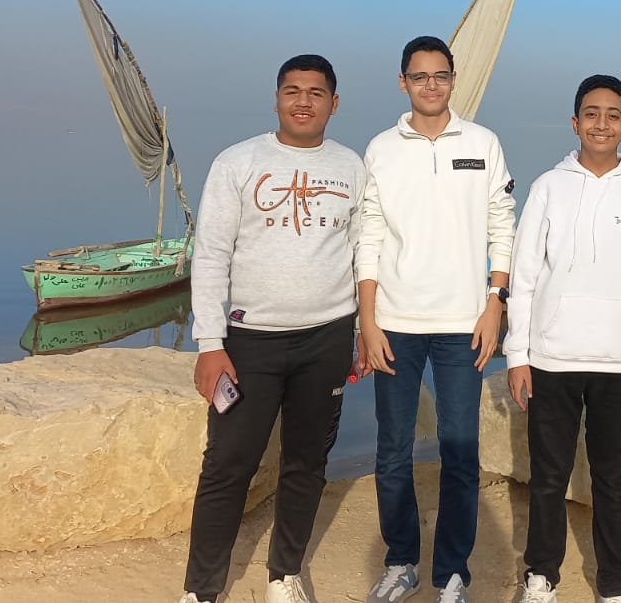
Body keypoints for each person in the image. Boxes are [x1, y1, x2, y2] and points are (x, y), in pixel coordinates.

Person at [179, 54, 365, 603]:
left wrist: (359, 333)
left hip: (327, 338)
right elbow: (211, 255)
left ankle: (284, 575)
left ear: (334, 103)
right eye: (293, 91)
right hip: (250, 341)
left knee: (307, 464)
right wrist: (210, 343)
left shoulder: (352, 166)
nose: (304, 102)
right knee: (227, 466)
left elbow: (362, 254)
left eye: (316, 92)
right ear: (277, 98)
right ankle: (202, 590)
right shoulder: (237, 162)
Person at [502, 75, 621, 603]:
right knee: (548, 478)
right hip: (552, 358)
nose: (602, 124)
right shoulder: (548, 187)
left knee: (612, 482)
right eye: (592, 114)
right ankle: (541, 577)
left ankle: (615, 585)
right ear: (575, 122)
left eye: (612, 115)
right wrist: (518, 355)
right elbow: (524, 275)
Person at [357, 35, 516, 603]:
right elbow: (368, 235)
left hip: (463, 324)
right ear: (403, 82)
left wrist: (496, 302)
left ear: (453, 79)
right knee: (393, 450)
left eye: (440, 75)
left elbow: (502, 223)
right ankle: (401, 562)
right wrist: (367, 322)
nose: (431, 85)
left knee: (460, 451)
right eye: (419, 76)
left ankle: (451, 574)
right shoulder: (381, 149)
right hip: (395, 323)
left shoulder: (483, 143)